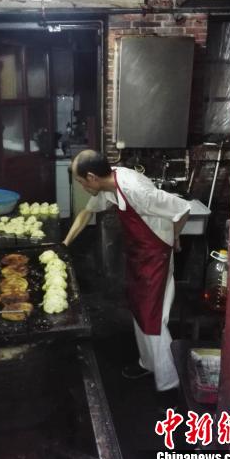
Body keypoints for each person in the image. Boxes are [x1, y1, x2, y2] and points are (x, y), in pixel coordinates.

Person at [63, 150, 190, 392]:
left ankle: (169, 383)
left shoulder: (135, 190)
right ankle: (148, 364)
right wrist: (63, 246)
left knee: (153, 317)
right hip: (139, 254)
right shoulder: (109, 184)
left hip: (156, 254)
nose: (80, 186)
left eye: (80, 182)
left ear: (91, 177)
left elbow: (182, 209)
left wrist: (174, 237)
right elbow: (86, 213)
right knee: (138, 309)